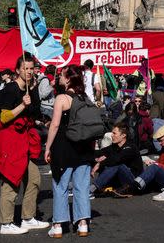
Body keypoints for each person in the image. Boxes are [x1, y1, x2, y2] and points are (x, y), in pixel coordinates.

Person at [0, 55, 50, 235]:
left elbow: (34, 113)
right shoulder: (10, 90)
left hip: (24, 140)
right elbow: (4, 117)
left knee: (34, 178)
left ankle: (28, 217)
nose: (29, 72)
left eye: (32, 68)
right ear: (17, 70)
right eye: (26, 69)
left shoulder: (30, 89)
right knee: (11, 179)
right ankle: (6, 223)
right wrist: (22, 105)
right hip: (10, 140)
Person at [45, 65, 96, 238]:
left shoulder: (61, 98)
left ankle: (58, 224)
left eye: (61, 75)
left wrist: (47, 147)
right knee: (81, 186)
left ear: (68, 79)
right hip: (83, 146)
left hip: (64, 146)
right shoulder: (85, 97)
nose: (59, 77)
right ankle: (82, 223)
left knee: (60, 185)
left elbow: (55, 125)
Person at [118, 124, 164, 200]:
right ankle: (135, 186)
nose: (160, 143)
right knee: (151, 166)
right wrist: (153, 163)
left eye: (161, 141)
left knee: (155, 167)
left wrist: (158, 165)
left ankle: (133, 187)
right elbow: (160, 164)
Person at [90, 123, 143, 196]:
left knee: (117, 165)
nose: (111, 135)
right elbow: (100, 152)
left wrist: (100, 163)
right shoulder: (114, 146)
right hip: (120, 180)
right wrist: (93, 158)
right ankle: (76, 186)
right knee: (98, 160)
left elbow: (117, 159)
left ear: (123, 135)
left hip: (133, 181)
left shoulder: (131, 147)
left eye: (114, 133)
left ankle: (92, 189)